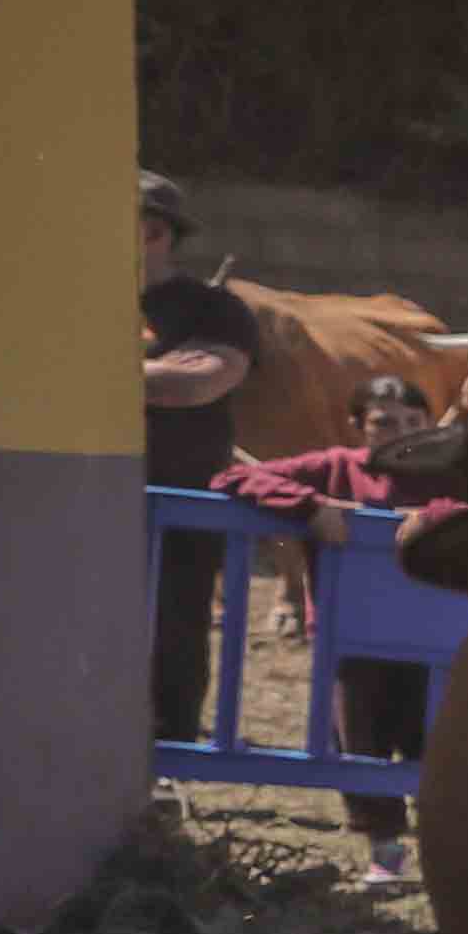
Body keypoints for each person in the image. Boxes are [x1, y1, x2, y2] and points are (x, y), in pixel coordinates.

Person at [138, 172, 266, 754]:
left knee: (176, 629)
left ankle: (170, 760)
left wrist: (78, 376)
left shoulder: (214, 310)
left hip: (180, 501)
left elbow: (196, 385)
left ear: (155, 230)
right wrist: (151, 375)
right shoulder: (64, 304)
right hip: (78, 500)